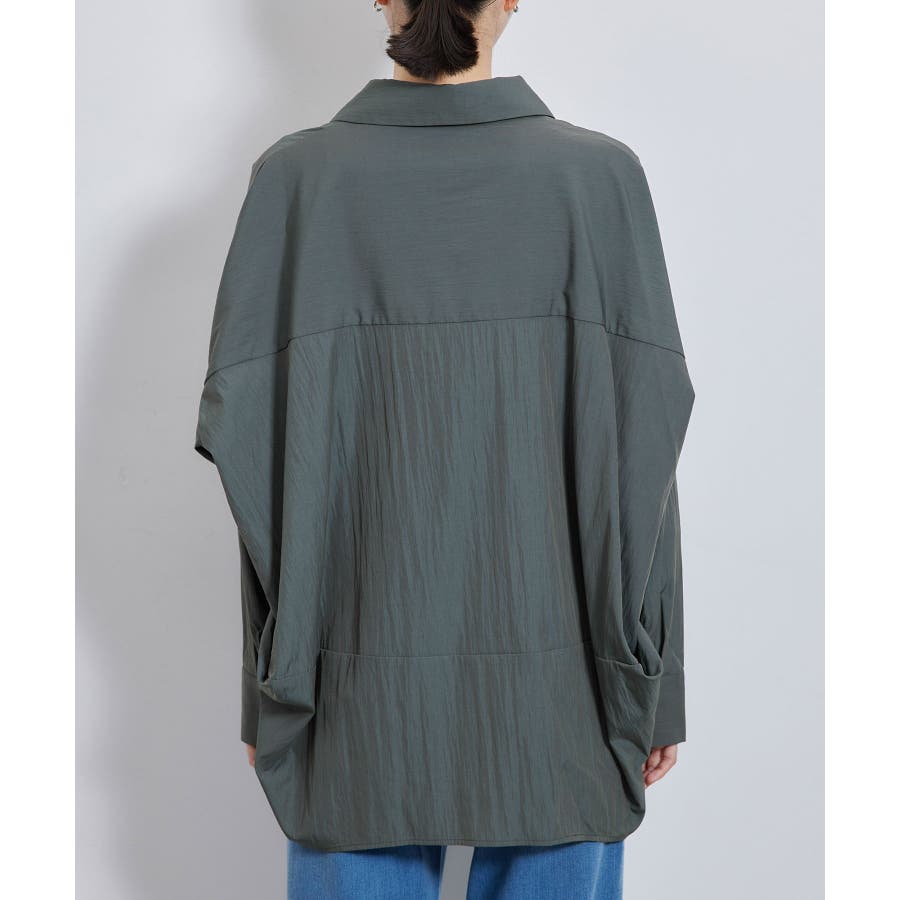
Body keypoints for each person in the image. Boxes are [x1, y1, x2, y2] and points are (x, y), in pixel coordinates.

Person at [193, 1, 695, 897]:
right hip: (569, 683)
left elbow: (257, 466)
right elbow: (646, 460)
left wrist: (267, 681)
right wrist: (662, 677)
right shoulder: (599, 180)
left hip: (349, 688)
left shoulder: (297, 182)